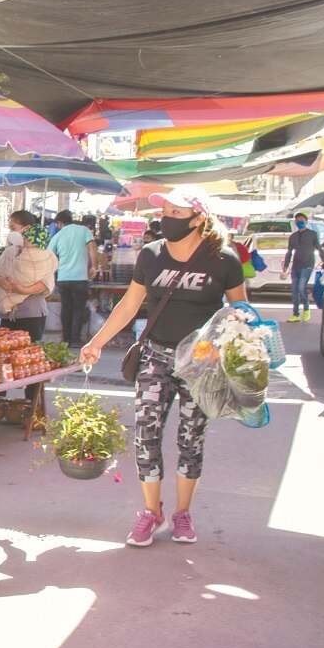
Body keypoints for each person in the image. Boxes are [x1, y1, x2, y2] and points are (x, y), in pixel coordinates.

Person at [80, 185, 246, 547]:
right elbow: (128, 305)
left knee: (191, 439)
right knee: (145, 436)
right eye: (164, 212)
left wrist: (237, 356)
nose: (165, 219)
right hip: (154, 356)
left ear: (198, 219)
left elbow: (241, 313)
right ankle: (150, 512)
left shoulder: (223, 259)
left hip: (200, 365)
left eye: (175, 214)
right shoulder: (151, 255)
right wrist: (96, 342)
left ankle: (182, 514)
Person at [0, 210, 57, 399]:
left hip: (32, 314)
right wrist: (2, 282)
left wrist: (22, 289)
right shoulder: (9, 252)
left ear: (26, 229)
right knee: (2, 357)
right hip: (7, 314)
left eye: (13, 228)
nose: (10, 232)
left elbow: (45, 283)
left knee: (30, 359)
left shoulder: (45, 255)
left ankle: (32, 403)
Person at [48, 209, 99, 346]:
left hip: (63, 278)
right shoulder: (84, 230)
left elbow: (50, 256)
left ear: (59, 222)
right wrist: (94, 266)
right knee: (78, 308)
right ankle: (75, 339)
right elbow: (92, 246)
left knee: (66, 308)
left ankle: (66, 339)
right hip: (79, 277)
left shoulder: (57, 236)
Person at [281, 211, 324, 322]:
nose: (300, 222)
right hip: (296, 266)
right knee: (294, 291)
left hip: (307, 265)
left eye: (302, 220)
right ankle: (295, 314)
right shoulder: (293, 236)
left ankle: (306, 309)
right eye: (298, 220)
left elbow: (319, 248)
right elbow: (289, 252)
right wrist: (286, 266)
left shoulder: (312, 234)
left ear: (306, 221)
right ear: (295, 222)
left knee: (301, 288)